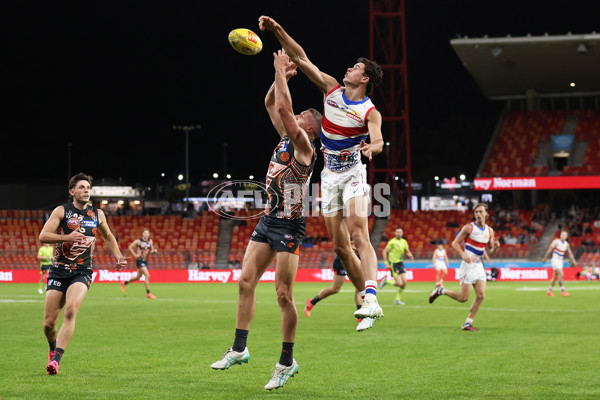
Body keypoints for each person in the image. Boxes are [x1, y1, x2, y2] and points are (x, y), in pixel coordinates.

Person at [259, 16, 385, 323]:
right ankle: (367, 303)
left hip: (353, 173)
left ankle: (371, 295)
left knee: (358, 233)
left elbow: (379, 138)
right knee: (341, 248)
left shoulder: (369, 111)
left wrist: (372, 147)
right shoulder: (331, 88)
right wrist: (277, 31)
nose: (349, 69)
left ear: (365, 78)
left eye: (356, 68)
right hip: (329, 176)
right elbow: (301, 57)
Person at [211, 50, 322, 391]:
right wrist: (280, 80)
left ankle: (286, 362)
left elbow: (285, 111)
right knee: (245, 282)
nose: (297, 115)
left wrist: (279, 69)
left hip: (290, 225)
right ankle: (239, 348)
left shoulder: (305, 147)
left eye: (303, 115)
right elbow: (270, 103)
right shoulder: (287, 138)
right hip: (269, 219)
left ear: (310, 128)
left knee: (284, 295)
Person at [40, 173, 127, 375]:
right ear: (72, 192)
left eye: (88, 187)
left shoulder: (98, 214)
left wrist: (118, 256)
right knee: (48, 324)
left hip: (82, 271)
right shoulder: (62, 211)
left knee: (71, 312)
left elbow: (108, 236)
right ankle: (52, 347)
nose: (86, 190)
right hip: (58, 270)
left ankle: (56, 361)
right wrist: (66, 237)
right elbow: (43, 235)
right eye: (81, 187)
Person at [429, 203, 500, 331]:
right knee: (463, 298)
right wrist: (463, 254)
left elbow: (490, 251)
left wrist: (496, 248)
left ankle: (468, 323)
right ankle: (440, 290)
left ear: (486, 214)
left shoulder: (490, 231)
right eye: (476, 212)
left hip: (479, 266)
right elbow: (455, 243)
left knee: (481, 295)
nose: (478, 214)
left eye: (480, 212)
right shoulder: (469, 228)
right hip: (467, 266)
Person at [305, 244, 371, 330]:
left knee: (359, 289)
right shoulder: (351, 234)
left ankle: (360, 316)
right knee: (335, 289)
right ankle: (311, 303)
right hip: (341, 261)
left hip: (354, 260)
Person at [379, 228, 414, 305]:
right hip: (393, 264)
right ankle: (386, 281)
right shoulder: (392, 242)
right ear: (395, 233)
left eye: (400, 232)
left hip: (400, 263)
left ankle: (397, 299)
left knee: (404, 283)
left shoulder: (404, 241)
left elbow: (407, 251)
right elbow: (384, 251)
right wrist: (386, 263)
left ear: (402, 233)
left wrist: (410, 255)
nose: (399, 233)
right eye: (397, 232)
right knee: (399, 283)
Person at [121, 228, 158, 299]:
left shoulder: (150, 241)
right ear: (142, 234)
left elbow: (151, 251)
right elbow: (130, 247)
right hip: (139, 261)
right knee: (147, 275)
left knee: (138, 277)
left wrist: (154, 251)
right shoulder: (138, 241)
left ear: (149, 234)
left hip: (145, 261)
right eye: (145, 233)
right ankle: (148, 293)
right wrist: (135, 255)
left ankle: (124, 283)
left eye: (147, 233)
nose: (146, 234)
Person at [541, 230, 577, 297]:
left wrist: (573, 261)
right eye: (562, 234)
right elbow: (549, 250)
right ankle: (563, 291)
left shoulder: (566, 244)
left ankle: (549, 291)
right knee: (562, 274)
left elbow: (570, 254)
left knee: (555, 277)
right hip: (555, 260)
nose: (563, 236)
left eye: (564, 235)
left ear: (566, 236)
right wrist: (545, 258)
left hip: (560, 261)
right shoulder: (556, 242)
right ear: (560, 235)